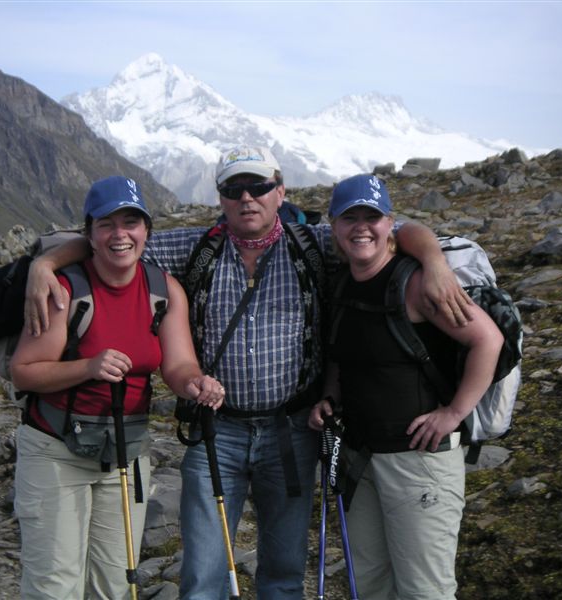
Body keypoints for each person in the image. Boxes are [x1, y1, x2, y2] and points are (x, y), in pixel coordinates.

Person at [24, 147, 475, 600]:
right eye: (233, 189)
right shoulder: (194, 246)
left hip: (291, 429)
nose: (247, 198)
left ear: (280, 191)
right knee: (203, 576)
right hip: (216, 430)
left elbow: (396, 231)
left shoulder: (317, 242)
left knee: (283, 571)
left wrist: (434, 260)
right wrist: (45, 264)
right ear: (220, 196)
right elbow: (115, 242)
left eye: (258, 186)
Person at [10, 175, 225, 600]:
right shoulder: (65, 289)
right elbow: (24, 371)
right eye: (106, 224)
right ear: (89, 234)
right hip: (55, 451)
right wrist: (88, 367)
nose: (120, 234)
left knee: (115, 584)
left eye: (131, 222)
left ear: (146, 230)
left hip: (126, 451)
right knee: (55, 585)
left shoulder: (164, 290)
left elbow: (178, 364)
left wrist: (195, 384)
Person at [309, 173, 504, 600]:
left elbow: (488, 340)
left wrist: (454, 412)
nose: (361, 227)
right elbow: (343, 355)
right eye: (350, 218)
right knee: (368, 584)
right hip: (362, 456)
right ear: (334, 226)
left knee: (424, 591)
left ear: (389, 223)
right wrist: (330, 397)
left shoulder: (415, 283)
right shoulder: (342, 282)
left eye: (372, 217)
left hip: (420, 462)